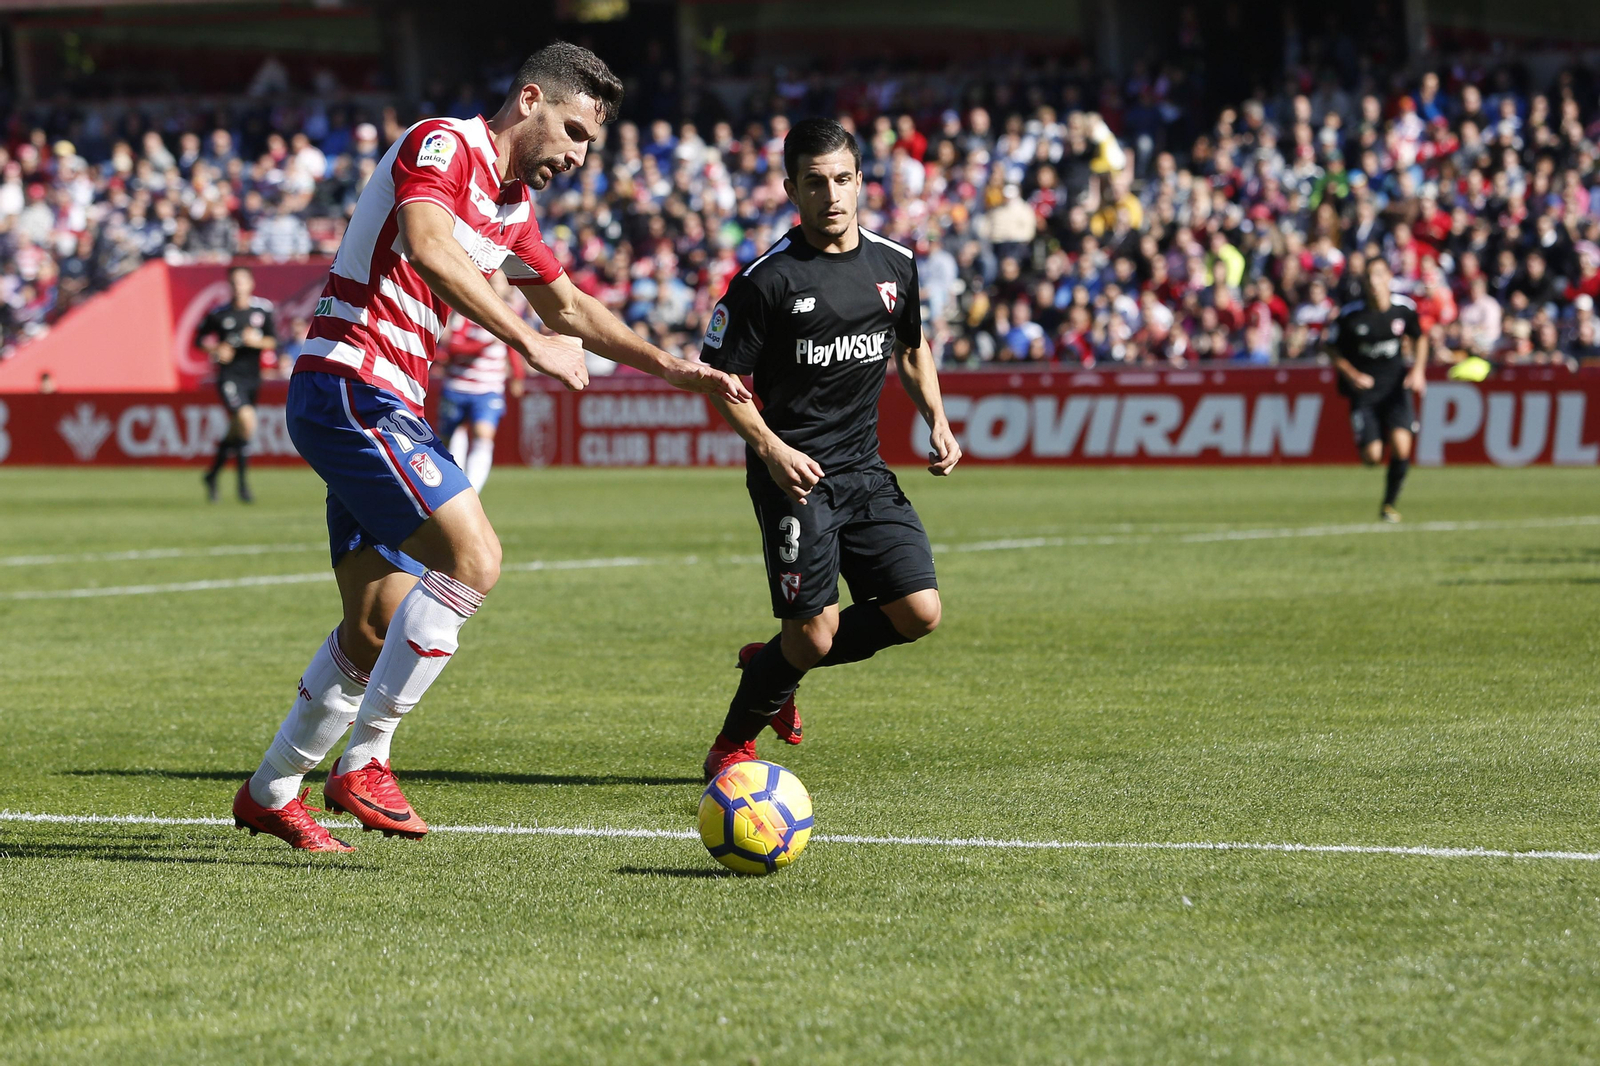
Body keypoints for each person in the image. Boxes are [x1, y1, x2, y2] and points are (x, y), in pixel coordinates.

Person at [231, 42, 750, 851]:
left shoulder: (511, 213)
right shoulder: (442, 143)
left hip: (387, 400)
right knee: (474, 557)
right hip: (347, 384)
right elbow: (431, 246)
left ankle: (270, 791)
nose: (578, 158)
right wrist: (524, 340)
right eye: (575, 132)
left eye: (590, 145)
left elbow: (571, 307)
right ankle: (365, 762)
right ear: (532, 100)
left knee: (374, 627)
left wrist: (676, 368)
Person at [697, 117, 963, 780]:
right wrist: (770, 447)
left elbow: (909, 346)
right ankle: (732, 744)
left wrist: (937, 417)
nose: (832, 194)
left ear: (861, 182)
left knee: (918, 611)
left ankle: (776, 660)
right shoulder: (767, 280)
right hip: (794, 478)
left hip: (865, 470)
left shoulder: (894, 264)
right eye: (815, 182)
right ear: (792, 189)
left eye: (843, 178)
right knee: (814, 634)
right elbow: (720, 381)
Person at [1325, 257, 1428, 522]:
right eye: (1368, 277)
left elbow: (1420, 337)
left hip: (1395, 387)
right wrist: (1352, 374)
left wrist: (1418, 370)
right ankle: (1378, 434)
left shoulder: (1403, 309)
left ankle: (1389, 505)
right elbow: (1331, 348)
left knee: (1402, 448)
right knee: (1372, 456)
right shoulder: (1351, 315)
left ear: (1388, 278)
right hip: (1366, 392)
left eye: (1378, 275)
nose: (1373, 282)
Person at [434, 274, 525, 493]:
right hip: (458, 386)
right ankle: (455, 487)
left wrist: (518, 376)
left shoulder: (507, 316)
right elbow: (453, 346)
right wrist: (483, 345)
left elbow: (513, 347)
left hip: (488, 388)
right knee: (450, 438)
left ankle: (471, 490)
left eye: (501, 284)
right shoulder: (464, 312)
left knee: (483, 434)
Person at [198, 265, 277, 503]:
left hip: (252, 377)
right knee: (246, 421)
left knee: (238, 430)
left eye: (242, 282)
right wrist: (216, 349)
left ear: (251, 284)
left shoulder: (262, 310)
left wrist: (256, 341)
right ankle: (243, 487)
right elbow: (198, 339)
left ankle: (212, 474)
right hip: (228, 377)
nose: (238, 287)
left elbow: (273, 341)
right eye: (233, 283)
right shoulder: (219, 313)